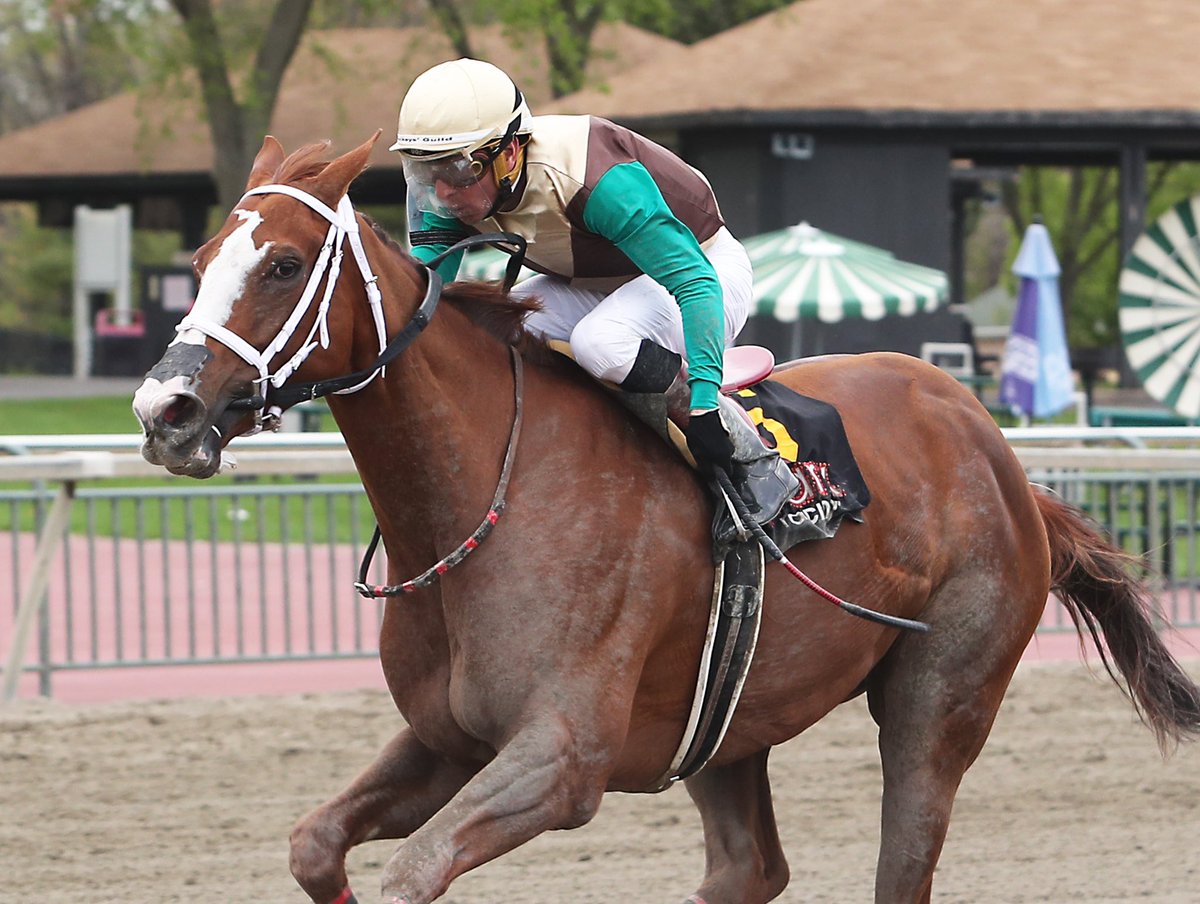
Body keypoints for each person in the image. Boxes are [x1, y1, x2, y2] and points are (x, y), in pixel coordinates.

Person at [391, 57, 797, 535]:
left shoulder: (598, 180)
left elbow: (695, 282)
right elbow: (426, 304)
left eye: (459, 169)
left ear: (510, 152)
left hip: (704, 271)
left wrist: (705, 400)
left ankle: (748, 453)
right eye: (426, 171)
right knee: (489, 330)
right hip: (597, 284)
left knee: (601, 341)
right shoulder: (451, 190)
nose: (442, 190)